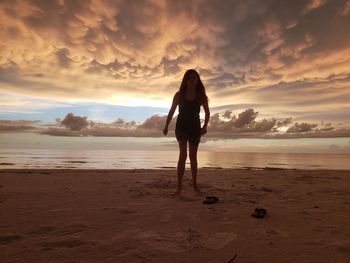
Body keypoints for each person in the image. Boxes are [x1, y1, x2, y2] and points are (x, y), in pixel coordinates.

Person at [163, 69, 210, 195]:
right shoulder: (179, 95)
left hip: (195, 128)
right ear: (185, 80)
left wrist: (205, 126)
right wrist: (166, 125)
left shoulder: (201, 96)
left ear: (197, 80)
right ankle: (179, 187)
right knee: (182, 155)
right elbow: (172, 111)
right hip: (181, 127)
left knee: (193, 157)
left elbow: (207, 112)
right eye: (189, 77)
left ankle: (195, 185)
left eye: (194, 78)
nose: (191, 80)